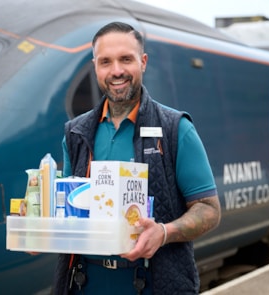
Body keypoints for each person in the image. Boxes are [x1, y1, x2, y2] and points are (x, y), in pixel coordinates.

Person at [53, 21, 221, 295]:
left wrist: (164, 233)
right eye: (106, 61)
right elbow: (68, 207)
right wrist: (44, 230)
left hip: (151, 284)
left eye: (126, 59)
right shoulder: (76, 133)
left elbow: (209, 210)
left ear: (143, 62)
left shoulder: (175, 129)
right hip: (86, 284)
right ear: (95, 66)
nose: (116, 71)